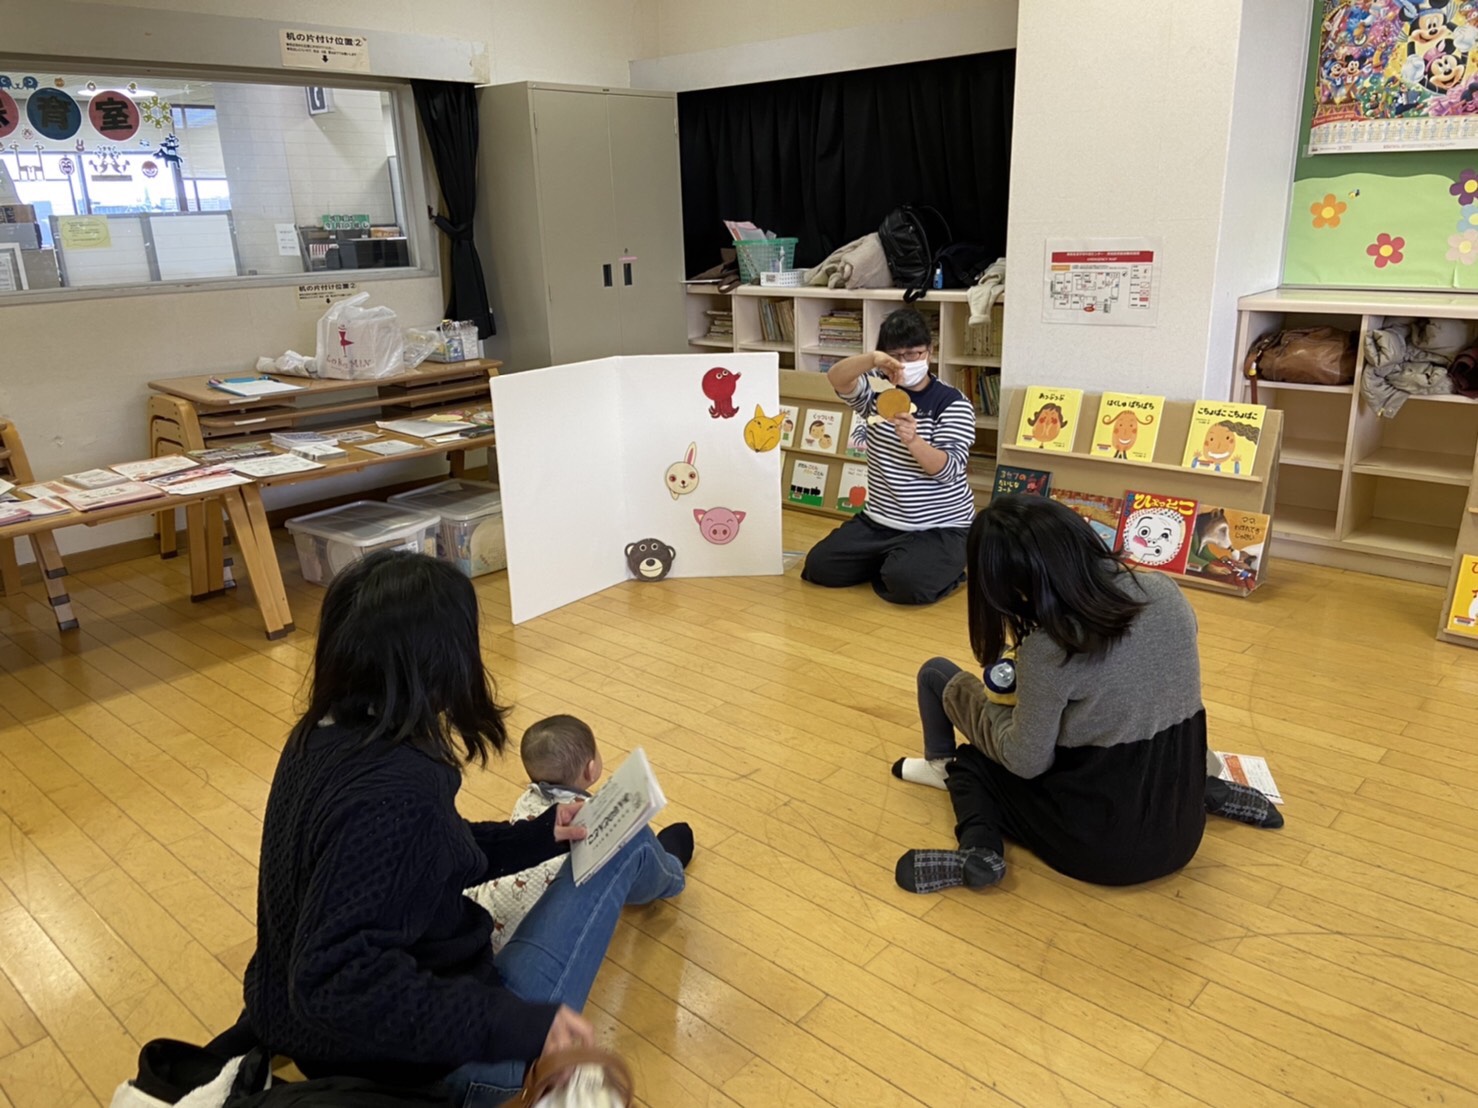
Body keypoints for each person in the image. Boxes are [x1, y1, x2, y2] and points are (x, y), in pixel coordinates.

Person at [240, 551, 693, 1106]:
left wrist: (537, 835)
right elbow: (333, 981)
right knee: (626, 838)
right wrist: (522, 1025)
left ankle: (648, 866)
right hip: (442, 1067)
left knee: (592, 831)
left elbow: (424, 852)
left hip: (307, 1036)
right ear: (444, 662)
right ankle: (664, 873)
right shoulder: (396, 792)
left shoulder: (319, 737)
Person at [891, 496, 1282, 894]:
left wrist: (985, 707)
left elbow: (1026, 762)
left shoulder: (1050, 648)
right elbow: (1144, 688)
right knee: (1148, 728)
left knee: (972, 764)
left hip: (1097, 849)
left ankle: (980, 852)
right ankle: (1211, 790)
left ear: (1009, 587)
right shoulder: (1165, 592)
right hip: (1182, 827)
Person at [801, 307, 976, 605]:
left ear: (930, 352)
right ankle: (895, 559)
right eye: (896, 355)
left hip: (941, 526)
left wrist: (914, 441)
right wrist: (872, 359)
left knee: (907, 585)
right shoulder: (877, 390)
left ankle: (942, 566)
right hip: (880, 520)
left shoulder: (952, 403)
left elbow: (948, 471)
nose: (905, 363)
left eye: (913, 354)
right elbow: (837, 378)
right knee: (819, 567)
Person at [465, 715, 606, 954]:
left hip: (481, 923)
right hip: (530, 939)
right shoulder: (586, 810)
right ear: (591, 769)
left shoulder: (526, 800)